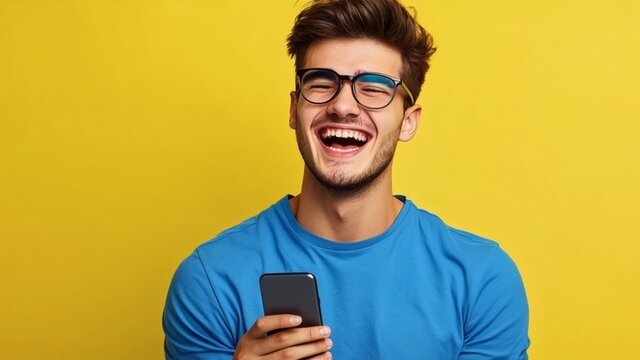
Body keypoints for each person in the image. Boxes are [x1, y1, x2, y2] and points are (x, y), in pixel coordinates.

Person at [162, 0, 530, 359]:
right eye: (321, 82)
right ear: (294, 109)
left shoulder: (482, 281)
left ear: (408, 120)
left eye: (373, 87)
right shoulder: (209, 280)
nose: (343, 105)